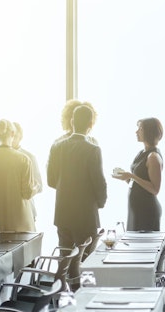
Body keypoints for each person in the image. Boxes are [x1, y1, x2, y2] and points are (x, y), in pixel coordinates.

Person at [47, 105, 107, 276]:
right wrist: (100, 203)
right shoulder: (93, 149)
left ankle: (62, 295)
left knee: (64, 260)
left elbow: (51, 181)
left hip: (63, 212)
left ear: (72, 121)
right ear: (91, 124)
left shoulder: (57, 147)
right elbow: (99, 182)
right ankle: (83, 297)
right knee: (86, 263)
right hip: (86, 214)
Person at [0, 119, 36, 232]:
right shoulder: (24, 159)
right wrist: (36, 186)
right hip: (20, 222)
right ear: (13, 134)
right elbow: (27, 193)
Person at [113, 118, 163, 231]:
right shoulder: (142, 153)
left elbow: (155, 189)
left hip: (146, 210)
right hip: (136, 209)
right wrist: (126, 178)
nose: (136, 132)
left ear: (148, 132)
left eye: (140, 129)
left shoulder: (153, 157)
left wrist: (132, 176)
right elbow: (140, 182)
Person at [12, 122, 43, 223]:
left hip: (26, 210)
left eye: (15, 136)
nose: (12, 139)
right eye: (10, 135)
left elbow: (39, 185)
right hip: (5, 211)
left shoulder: (29, 157)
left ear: (20, 137)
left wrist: (28, 188)